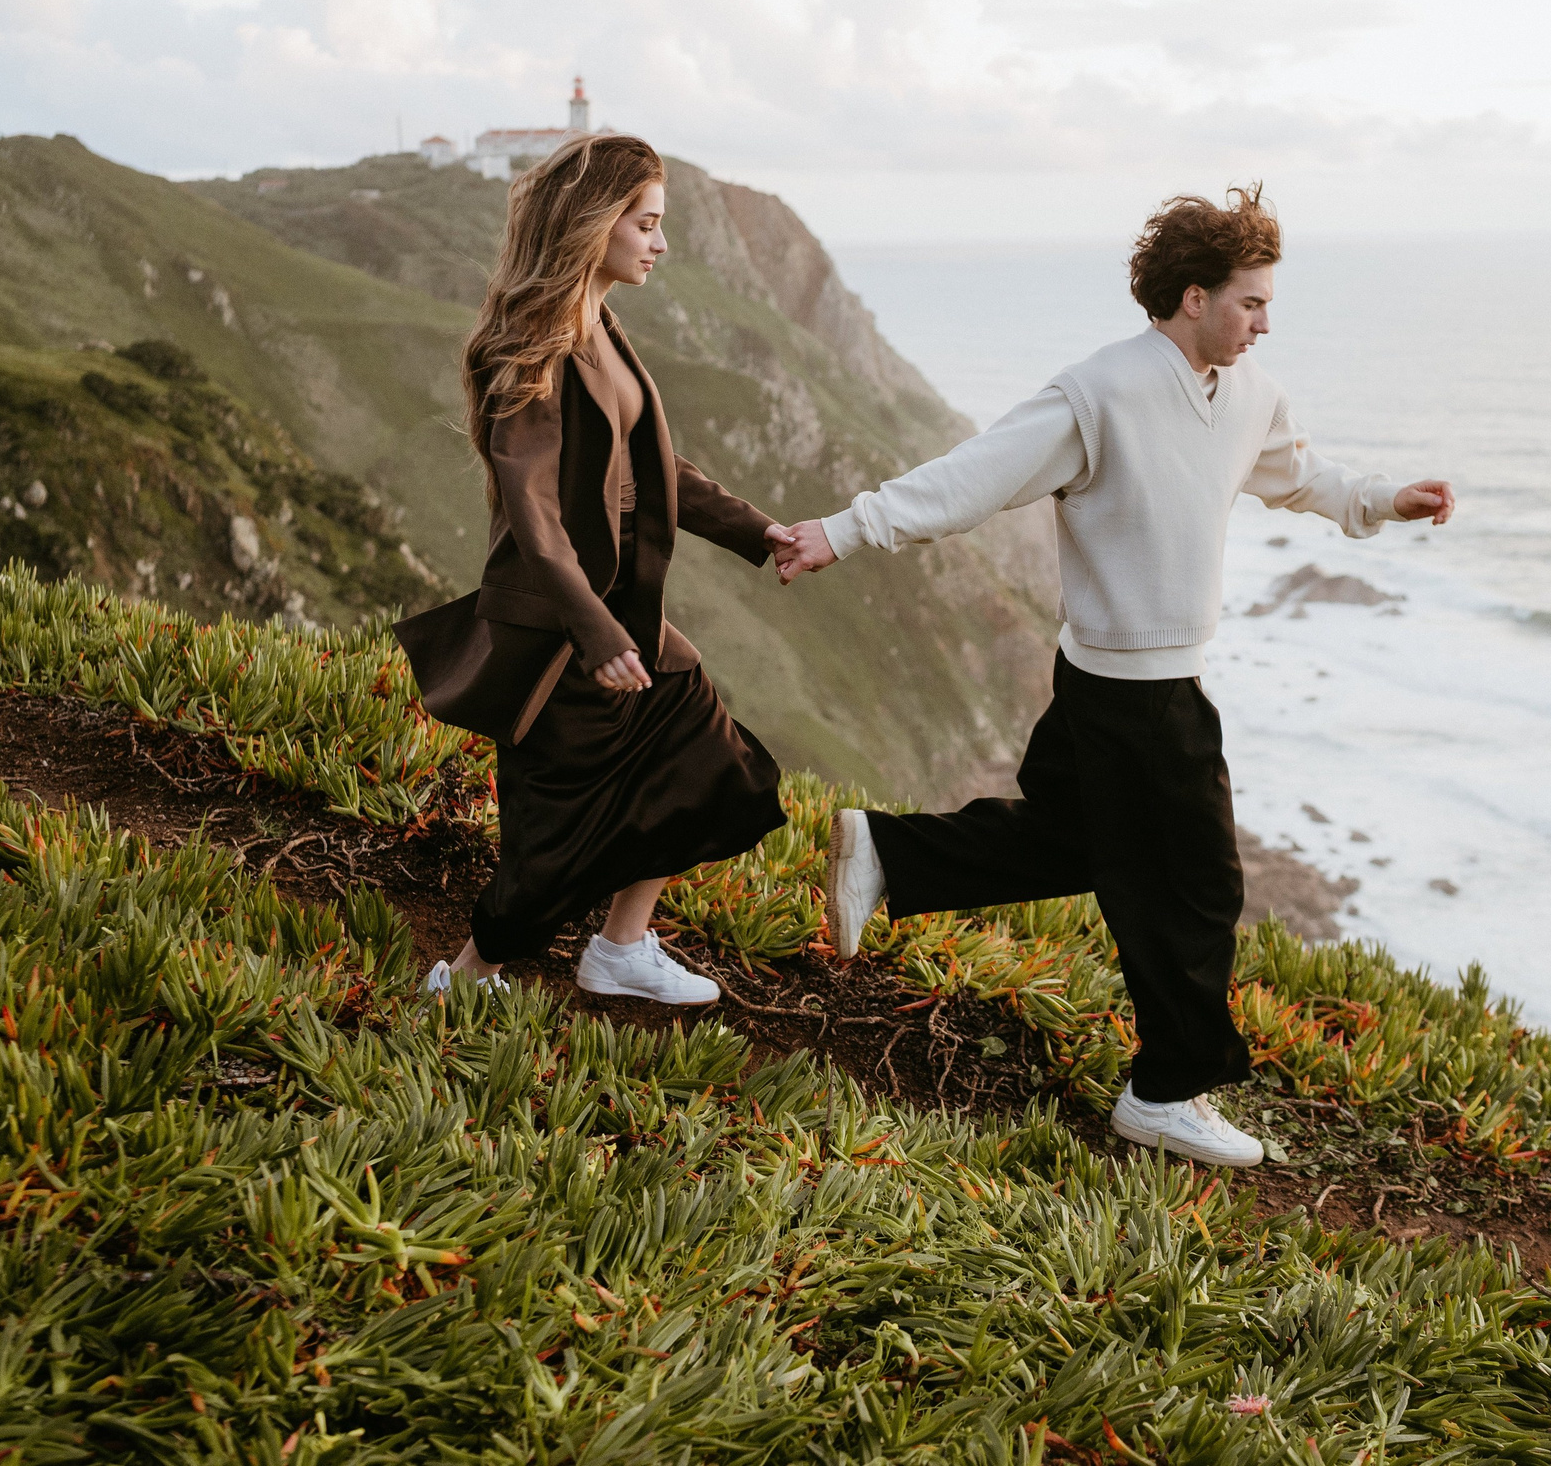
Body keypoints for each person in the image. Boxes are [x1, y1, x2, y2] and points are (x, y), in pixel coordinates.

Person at [772, 186, 1454, 1167]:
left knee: (1072, 842)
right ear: (1190, 297)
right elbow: (977, 474)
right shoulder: (1100, 391)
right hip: (1134, 693)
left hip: (1131, 678)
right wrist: (843, 529)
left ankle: (887, 851)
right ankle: (1165, 1091)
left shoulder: (1250, 395)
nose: (1267, 320)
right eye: (1249, 302)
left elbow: (1298, 473)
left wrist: (1386, 498)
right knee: (1202, 887)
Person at [394, 133, 791, 1006]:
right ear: (595, 221)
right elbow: (533, 514)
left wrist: (764, 534)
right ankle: (460, 983)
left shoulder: (600, 324)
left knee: (705, 749)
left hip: (610, 614)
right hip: (556, 630)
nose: (660, 243)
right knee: (552, 842)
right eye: (645, 223)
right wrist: (595, 629)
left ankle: (621, 945)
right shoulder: (537, 344)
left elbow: (654, 472)